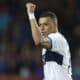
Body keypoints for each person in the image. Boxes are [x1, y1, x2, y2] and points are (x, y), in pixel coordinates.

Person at [26, 2, 72, 80]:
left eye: (46, 24)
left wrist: (31, 15)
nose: (41, 28)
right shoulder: (48, 45)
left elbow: (38, 41)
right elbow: (52, 72)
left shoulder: (57, 38)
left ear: (55, 25)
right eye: (40, 25)